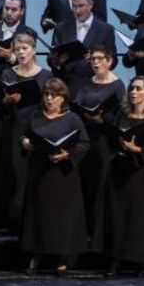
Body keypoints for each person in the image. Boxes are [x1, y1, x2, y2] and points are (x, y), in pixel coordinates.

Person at [92, 76, 144, 274]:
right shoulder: (123, 114)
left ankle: (139, 260)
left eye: (139, 89)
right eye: (132, 88)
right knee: (118, 215)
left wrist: (138, 150)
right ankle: (116, 258)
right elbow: (113, 136)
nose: (133, 92)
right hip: (120, 168)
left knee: (138, 216)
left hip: (141, 171)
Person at [20, 78, 90, 273]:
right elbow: (24, 136)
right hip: (40, 172)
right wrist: (25, 142)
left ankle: (62, 256)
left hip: (62, 175)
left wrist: (67, 154)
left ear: (63, 98)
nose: (49, 99)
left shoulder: (72, 118)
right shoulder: (35, 116)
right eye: (46, 95)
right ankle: (36, 254)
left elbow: (84, 143)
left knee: (62, 217)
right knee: (38, 215)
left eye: (54, 95)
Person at [0, 33, 51, 232]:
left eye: (24, 49)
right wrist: (7, 100)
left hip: (39, 128)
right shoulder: (8, 74)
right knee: (15, 173)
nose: (21, 53)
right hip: (14, 127)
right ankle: (15, 220)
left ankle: (35, 220)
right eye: (17, 50)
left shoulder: (46, 75)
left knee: (35, 174)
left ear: (33, 50)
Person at [72, 45, 126, 238]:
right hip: (86, 139)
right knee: (84, 182)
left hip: (104, 140)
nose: (96, 63)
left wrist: (103, 120)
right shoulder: (87, 84)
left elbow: (122, 116)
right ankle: (83, 227)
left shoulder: (118, 85)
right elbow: (76, 105)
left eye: (100, 59)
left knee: (100, 183)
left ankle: (98, 231)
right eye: (93, 59)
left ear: (110, 61)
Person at [48, 0, 116, 96]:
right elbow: (51, 58)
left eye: (81, 6)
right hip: (66, 89)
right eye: (74, 6)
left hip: (95, 88)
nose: (77, 11)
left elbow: (114, 60)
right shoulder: (61, 28)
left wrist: (97, 59)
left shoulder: (106, 29)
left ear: (91, 5)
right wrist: (57, 62)